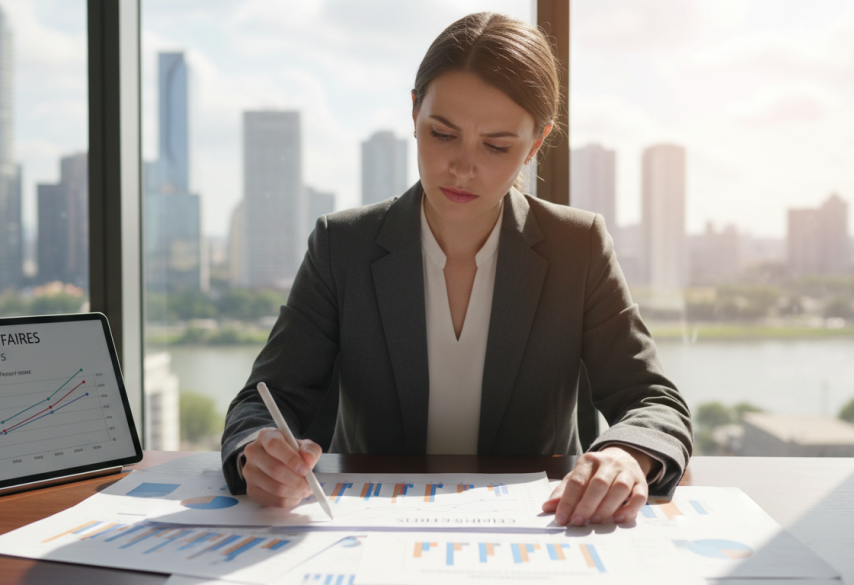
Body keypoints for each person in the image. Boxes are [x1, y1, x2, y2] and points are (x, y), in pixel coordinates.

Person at [222, 12, 692, 528]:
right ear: (415, 112)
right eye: (442, 134)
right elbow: (264, 400)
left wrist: (626, 456)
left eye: (496, 146)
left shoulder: (576, 246)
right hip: (367, 530)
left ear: (537, 143)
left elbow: (653, 400)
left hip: (537, 530)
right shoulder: (344, 245)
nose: (463, 167)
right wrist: (257, 451)